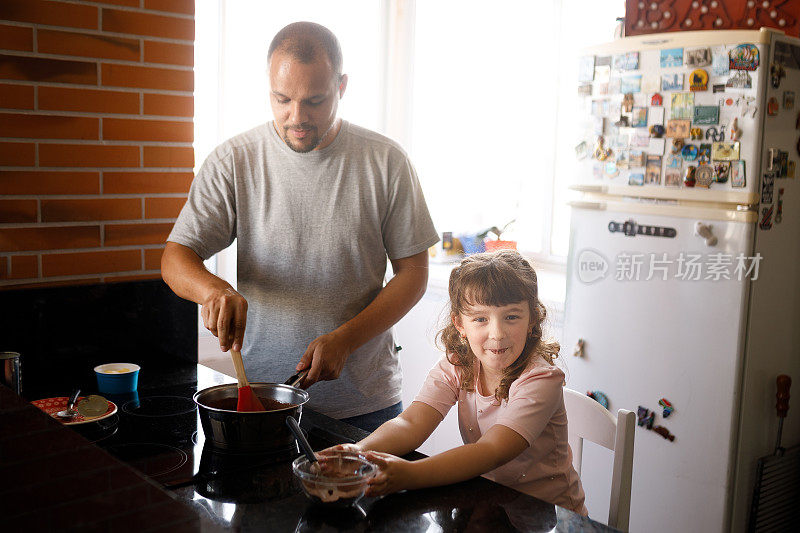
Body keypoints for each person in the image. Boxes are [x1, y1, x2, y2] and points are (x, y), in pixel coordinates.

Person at [161, 21, 439, 430]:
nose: (296, 117)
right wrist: (214, 290)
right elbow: (175, 257)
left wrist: (345, 339)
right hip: (262, 397)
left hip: (366, 406)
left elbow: (414, 273)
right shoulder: (234, 161)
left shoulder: (386, 162)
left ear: (341, 86)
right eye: (282, 99)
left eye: (314, 101)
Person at [328, 250, 587, 514]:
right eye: (480, 319)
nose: (497, 334)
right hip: (491, 507)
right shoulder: (459, 366)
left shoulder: (541, 379)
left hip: (549, 515)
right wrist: (357, 451)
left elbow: (492, 450)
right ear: (459, 324)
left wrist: (410, 474)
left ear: (532, 319)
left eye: (511, 316)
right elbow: (411, 422)